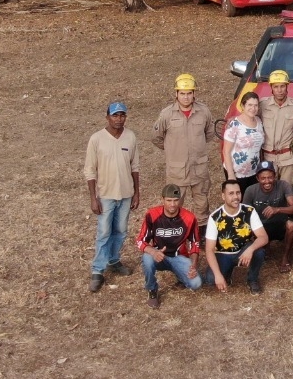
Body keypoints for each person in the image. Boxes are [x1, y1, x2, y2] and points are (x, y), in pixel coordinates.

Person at [84, 101, 141, 293]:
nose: (119, 119)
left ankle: (113, 259)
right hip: (106, 194)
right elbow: (90, 171)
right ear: (107, 117)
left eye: (122, 115)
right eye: (115, 115)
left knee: (121, 230)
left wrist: (136, 192)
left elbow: (135, 167)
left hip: (125, 194)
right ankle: (98, 271)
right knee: (103, 232)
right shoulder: (96, 139)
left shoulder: (130, 137)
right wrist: (94, 197)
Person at [152, 74, 217, 217]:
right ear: (176, 94)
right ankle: (175, 235)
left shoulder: (204, 111)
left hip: (199, 169)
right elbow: (156, 137)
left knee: (202, 205)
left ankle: (200, 235)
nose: (186, 97)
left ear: (194, 94)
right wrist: (172, 149)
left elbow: (209, 133)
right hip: (177, 171)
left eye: (189, 93)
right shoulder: (166, 114)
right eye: (182, 93)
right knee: (173, 205)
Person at [136, 183, 203, 308]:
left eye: (176, 200)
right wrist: (153, 251)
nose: (172, 204)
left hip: (179, 256)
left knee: (196, 283)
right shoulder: (152, 215)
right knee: (147, 258)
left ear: (180, 200)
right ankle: (152, 290)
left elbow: (195, 243)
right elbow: (140, 241)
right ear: (162, 200)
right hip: (158, 255)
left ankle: (180, 275)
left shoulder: (189, 218)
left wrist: (193, 264)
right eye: (169, 200)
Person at [204, 179, 269, 294]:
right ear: (223, 196)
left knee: (259, 251)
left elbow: (263, 237)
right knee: (210, 280)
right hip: (223, 254)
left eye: (238, 193)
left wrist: (250, 249)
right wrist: (218, 275)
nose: (236, 197)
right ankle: (227, 272)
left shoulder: (249, 211)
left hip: (243, 251)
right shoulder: (215, 217)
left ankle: (252, 279)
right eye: (231, 193)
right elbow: (209, 250)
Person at [242, 160, 293, 272]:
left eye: (270, 177)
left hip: (280, 224)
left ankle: (285, 257)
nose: (267, 181)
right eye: (263, 178)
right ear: (258, 178)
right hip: (261, 227)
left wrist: (277, 209)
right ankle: (265, 246)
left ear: (275, 176)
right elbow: (245, 215)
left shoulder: (283, 185)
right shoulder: (250, 190)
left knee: (291, 224)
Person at [260, 70, 293, 188]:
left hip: (287, 158)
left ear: (287, 87)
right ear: (271, 88)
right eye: (276, 87)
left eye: (282, 86)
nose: (279, 90)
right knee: (268, 191)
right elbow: (249, 117)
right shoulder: (262, 105)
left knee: (288, 191)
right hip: (268, 158)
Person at [222, 90, 265, 194]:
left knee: (250, 200)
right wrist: (231, 175)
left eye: (255, 105)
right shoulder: (234, 124)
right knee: (238, 201)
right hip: (237, 173)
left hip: (254, 172)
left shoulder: (259, 121)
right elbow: (226, 152)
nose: (253, 108)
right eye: (249, 105)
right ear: (243, 105)